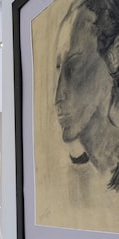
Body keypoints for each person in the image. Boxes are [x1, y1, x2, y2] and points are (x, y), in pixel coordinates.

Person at [54, 0, 119, 191]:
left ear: (114, 56)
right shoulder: (80, 184)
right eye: (59, 69)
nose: (58, 96)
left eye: (73, 68)